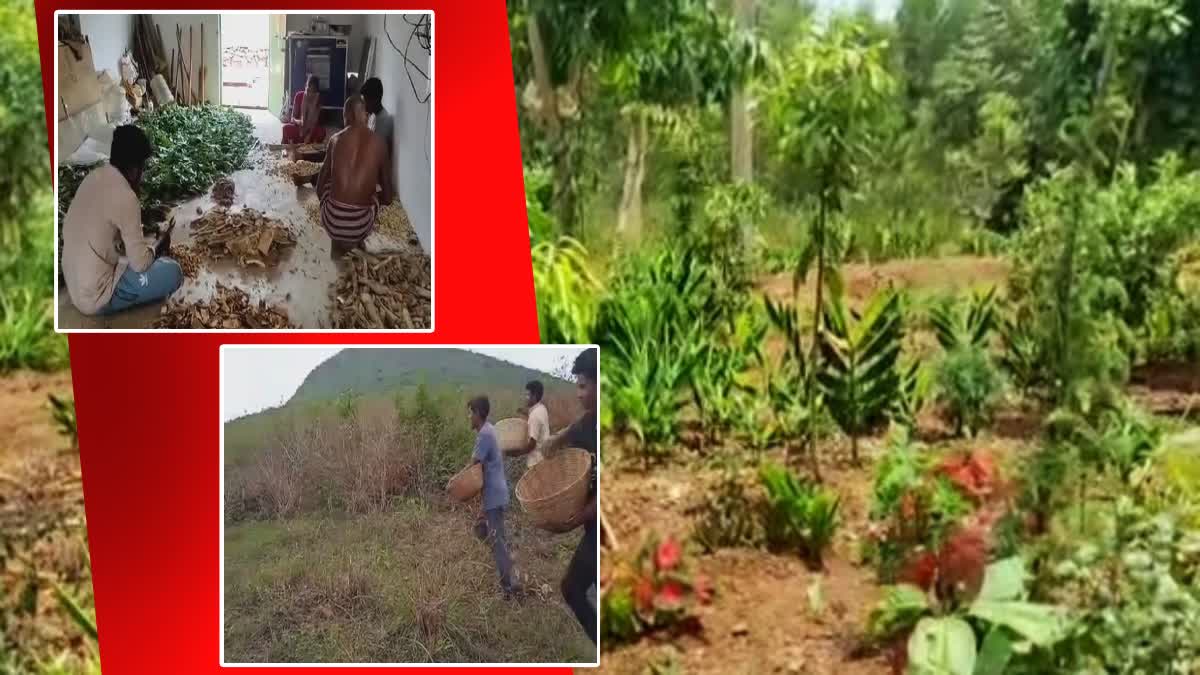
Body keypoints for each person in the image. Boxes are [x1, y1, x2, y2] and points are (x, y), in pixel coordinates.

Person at [62, 125, 182, 316]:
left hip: (75, 282)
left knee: (135, 252)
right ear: (135, 170)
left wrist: (143, 216)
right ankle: (115, 296)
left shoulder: (93, 177)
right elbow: (140, 264)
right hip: (95, 296)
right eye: (142, 168)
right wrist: (159, 245)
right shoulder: (127, 198)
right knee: (174, 272)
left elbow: (107, 218)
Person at [533, 348, 599, 644]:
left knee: (573, 587)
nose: (579, 393)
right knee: (573, 588)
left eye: (584, 385)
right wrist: (556, 440)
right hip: (595, 531)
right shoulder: (588, 424)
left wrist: (577, 517)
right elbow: (559, 441)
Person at [315, 95, 395, 257]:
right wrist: (370, 194)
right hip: (360, 225)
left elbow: (319, 189)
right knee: (373, 194)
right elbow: (388, 197)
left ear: (347, 116)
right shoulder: (380, 143)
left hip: (331, 221)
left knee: (329, 184)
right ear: (365, 115)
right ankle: (356, 240)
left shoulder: (334, 140)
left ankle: (338, 242)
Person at [468, 395, 519, 599]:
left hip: (494, 495)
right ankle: (508, 563)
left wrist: (454, 482)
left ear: (479, 414)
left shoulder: (485, 435)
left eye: (470, 412)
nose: (469, 417)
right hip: (495, 494)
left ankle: (509, 587)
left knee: (495, 539)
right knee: (484, 532)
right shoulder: (489, 430)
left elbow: (473, 464)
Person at [282, 75, 326, 145]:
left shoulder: (318, 100)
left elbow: (314, 123)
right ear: (305, 87)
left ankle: (310, 145)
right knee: (285, 128)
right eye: (308, 90)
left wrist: (309, 135)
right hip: (298, 129)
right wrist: (299, 122)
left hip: (310, 130)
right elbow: (292, 119)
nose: (309, 94)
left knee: (322, 132)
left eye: (313, 91)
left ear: (316, 92)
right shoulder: (299, 96)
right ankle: (287, 148)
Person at [360, 77, 394, 152]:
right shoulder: (372, 116)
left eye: (365, 101)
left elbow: (375, 151)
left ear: (375, 100)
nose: (364, 105)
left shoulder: (384, 121)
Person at [524, 380, 551, 469]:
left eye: (528, 395)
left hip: (535, 464)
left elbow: (532, 444)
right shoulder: (542, 409)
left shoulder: (534, 415)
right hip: (543, 460)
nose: (525, 398)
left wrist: (517, 453)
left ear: (534, 396)